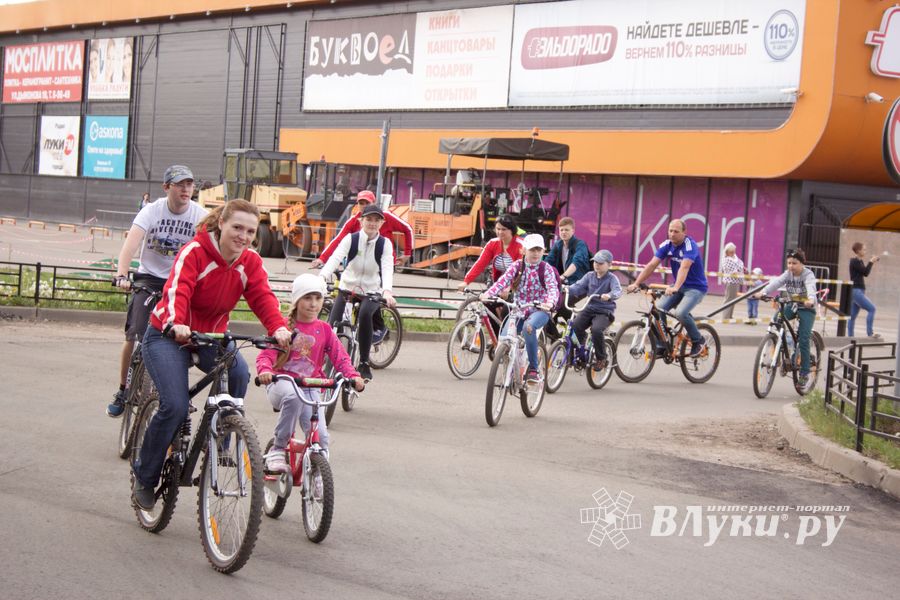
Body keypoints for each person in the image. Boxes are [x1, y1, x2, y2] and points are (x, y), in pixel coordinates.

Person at [131, 199, 292, 510]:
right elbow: (180, 289)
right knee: (175, 406)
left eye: (249, 230)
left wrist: (279, 328)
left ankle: (222, 440)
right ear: (222, 225)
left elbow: (263, 298)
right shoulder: (195, 251)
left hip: (212, 336)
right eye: (237, 228)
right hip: (168, 333)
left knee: (239, 374)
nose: (243, 236)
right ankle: (145, 475)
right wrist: (177, 323)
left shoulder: (251, 262)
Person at [108, 165, 208, 417]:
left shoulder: (200, 216)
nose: (186, 189)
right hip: (150, 279)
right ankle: (123, 388)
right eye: (179, 184)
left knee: (185, 337)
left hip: (182, 281)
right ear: (167, 188)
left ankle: (175, 390)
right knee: (135, 336)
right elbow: (130, 246)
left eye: (190, 184)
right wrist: (122, 274)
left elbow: (211, 248)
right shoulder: (152, 211)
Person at [256, 274, 365, 473]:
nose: (313, 304)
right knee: (292, 396)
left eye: (318, 298)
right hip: (281, 383)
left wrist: (352, 375)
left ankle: (317, 476)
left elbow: (340, 357)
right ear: (297, 301)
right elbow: (266, 355)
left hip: (310, 386)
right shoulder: (284, 328)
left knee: (321, 437)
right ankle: (278, 448)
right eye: (307, 298)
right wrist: (265, 371)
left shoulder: (324, 329)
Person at [319, 204, 397, 382]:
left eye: (376, 220)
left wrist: (387, 291)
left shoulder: (384, 244)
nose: (372, 223)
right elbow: (336, 258)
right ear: (361, 220)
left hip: (371, 290)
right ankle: (322, 356)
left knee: (364, 314)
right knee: (332, 324)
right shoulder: (351, 239)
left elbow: (387, 268)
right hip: (348, 287)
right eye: (368, 219)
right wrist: (322, 277)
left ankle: (363, 362)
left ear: (382, 223)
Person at [481, 233, 560, 383]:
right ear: (524, 251)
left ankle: (533, 370)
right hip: (518, 310)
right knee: (504, 339)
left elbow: (552, 289)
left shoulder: (546, 269)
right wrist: (488, 294)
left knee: (529, 328)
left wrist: (549, 303)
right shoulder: (517, 266)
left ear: (543, 251)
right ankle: (512, 366)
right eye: (532, 250)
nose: (536, 253)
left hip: (539, 310)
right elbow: (502, 282)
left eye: (539, 250)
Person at [626, 219, 708, 357]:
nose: (672, 234)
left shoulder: (690, 246)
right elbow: (652, 265)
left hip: (695, 288)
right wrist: (636, 283)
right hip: (678, 287)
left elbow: (685, 266)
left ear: (684, 232)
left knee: (681, 313)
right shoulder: (667, 245)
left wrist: (675, 286)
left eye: (676, 231)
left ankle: (698, 341)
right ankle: (662, 344)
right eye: (670, 230)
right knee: (658, 310)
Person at [755, 248, 818, 387]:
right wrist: (763, 292)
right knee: (776, 320)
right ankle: (778, 350)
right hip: (791, 304)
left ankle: (804, 372)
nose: (791, 266)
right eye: (789, 263)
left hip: (807, 307)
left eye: (794, 263)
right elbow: (776, 282)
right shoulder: (788, 274)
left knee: (803, 337)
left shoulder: (808, 275)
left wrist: (811, 299)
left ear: (801, 263)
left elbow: (811, 287)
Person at [312, 190, 413, 266]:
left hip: (383, 262)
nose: (364, 206)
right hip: (359, 262)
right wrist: (322, 259)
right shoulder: (353, 220)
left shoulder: (386, 216)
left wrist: (407, 253)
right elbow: (338, 240)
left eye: (367, 203)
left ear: (374, 203)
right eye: (361, 203)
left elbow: (407, 229)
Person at [566, 250, 622, 371]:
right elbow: (578, 286)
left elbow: (618, 291)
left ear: (609, 265)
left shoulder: (612, 278)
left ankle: (601, 358)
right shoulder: (589, 276)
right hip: (589, 308)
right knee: (574, 326)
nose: (597, 265)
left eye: (601, 263)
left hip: (604, 311)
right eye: (595, 262)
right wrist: (566, 289)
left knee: (596, 330)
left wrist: (610, 295)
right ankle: (580, 351)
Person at [457, 214, 523, 290]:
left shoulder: (521, 245)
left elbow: (522, 271)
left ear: (512, 230)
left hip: (518, 285)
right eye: (498, 229)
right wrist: (466, 282)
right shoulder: (492, 243)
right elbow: (480, 264)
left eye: (504, 229)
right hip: (498, 283)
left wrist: (510, 288)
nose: (500, 232)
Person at [848, 242, 882, 339]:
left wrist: (871, 262)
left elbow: (864, 273)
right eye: (864, 249)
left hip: (859, 290)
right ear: (858, 251)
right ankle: (870, 333)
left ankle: (850, 337)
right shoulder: (854, 261)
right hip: (856, 290)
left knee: (852, 316)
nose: (865, 251)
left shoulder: (860, 261)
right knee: (872, 309)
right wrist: (871, 261)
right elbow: (866, 272)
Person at [720, 242, 745, 319]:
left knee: (733, 299)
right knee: (729, 299)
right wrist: (741, 273)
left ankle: (729, 316)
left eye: (734, 251)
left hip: (735, 281)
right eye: (731, 252)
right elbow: (734, 271)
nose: (733, 253)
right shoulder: (726, 260)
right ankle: (726, 316)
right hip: (730, 282)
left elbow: (739, 267)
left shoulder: (734, 258)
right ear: (727, 252)